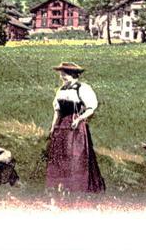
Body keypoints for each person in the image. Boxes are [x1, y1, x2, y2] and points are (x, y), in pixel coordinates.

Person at [46, 62, 106, 193]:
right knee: (61, 155)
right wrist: (53, 127)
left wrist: (79, 119)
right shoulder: (61, 90)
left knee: (75, 156)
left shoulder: (82, 88)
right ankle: (61, 185)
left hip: (76, 128)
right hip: (62, 126)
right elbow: (57, 111)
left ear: (73, 74)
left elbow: (90, 109)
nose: (62, 76)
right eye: (61, 74)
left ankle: (77, 186)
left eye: (64, 74)